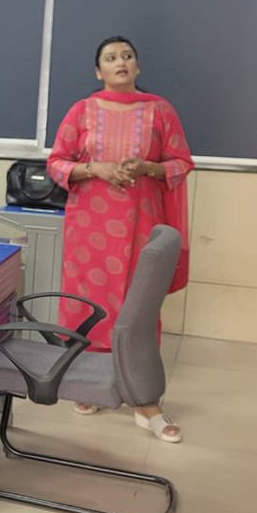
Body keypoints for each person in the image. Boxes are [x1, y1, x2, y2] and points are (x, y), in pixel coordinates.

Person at [47, 36, 193, 443]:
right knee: (90, 307)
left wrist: (149, 166)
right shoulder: (82, 111)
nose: (120, 62)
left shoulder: (159, 111)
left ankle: (144, 401)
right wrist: (96, 169)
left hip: (142, 225)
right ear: (99, 72)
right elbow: (57, 162)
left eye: (127, 56)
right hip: (89, 229)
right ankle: (88, 385)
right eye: (111, 58)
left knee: (138, 306)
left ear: (137, 66)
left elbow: (182, 162)